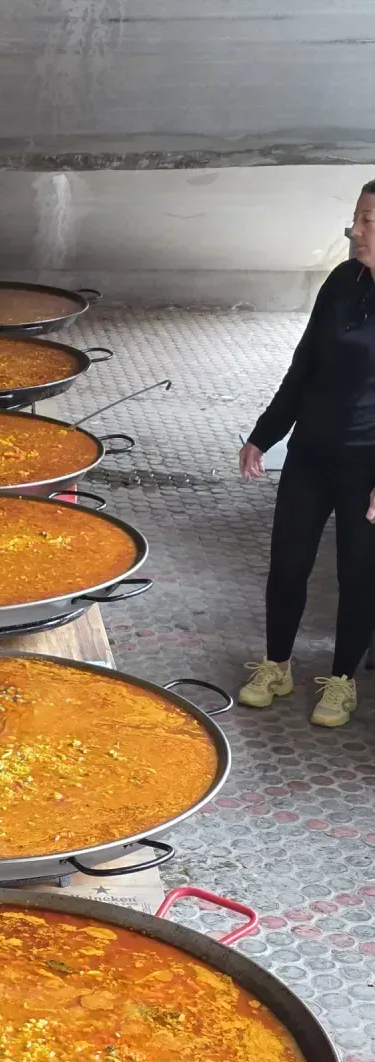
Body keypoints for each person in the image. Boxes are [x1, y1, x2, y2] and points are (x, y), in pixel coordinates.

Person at [238, 180, 375, 728]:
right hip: (311, 451)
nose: (355, 230)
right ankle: (277, 666)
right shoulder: (341, 281)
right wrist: (264, 435)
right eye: (356, 218)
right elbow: (304, 366)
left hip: (366, 462)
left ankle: (342, 681)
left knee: (357, 574)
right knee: (288, 564)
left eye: (368, 221)